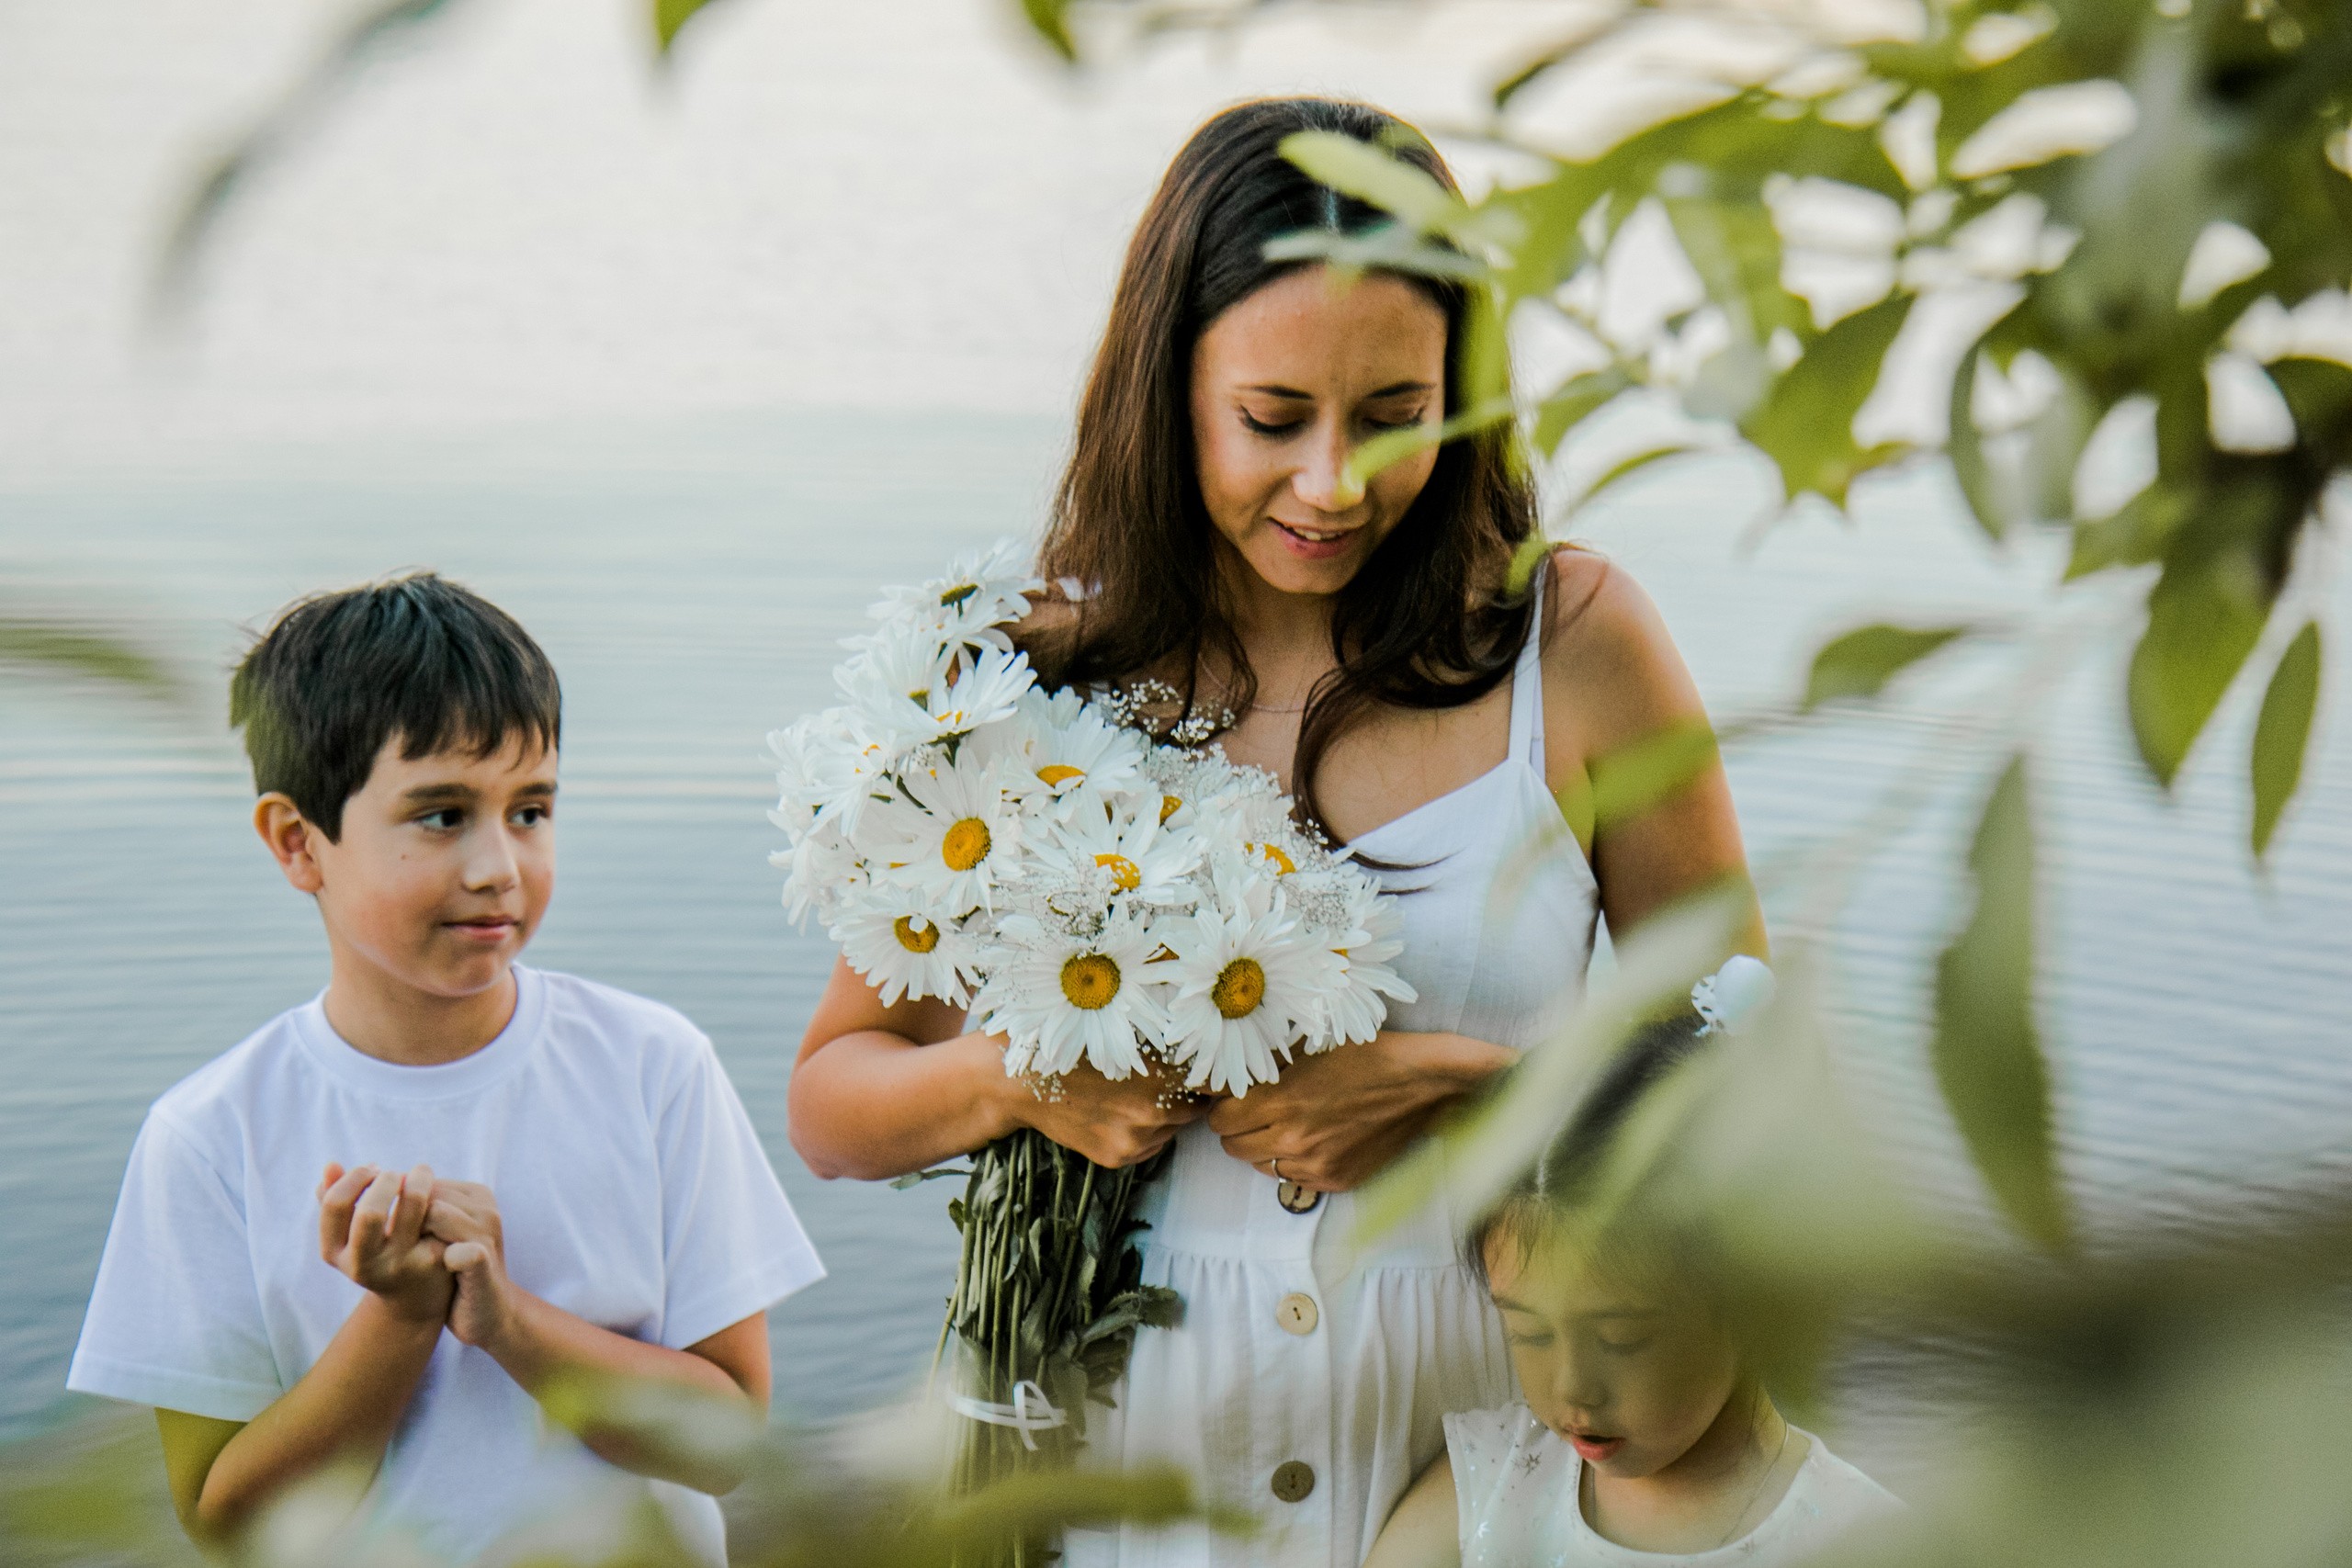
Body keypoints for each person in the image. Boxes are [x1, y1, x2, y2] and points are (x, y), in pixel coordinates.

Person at [788, 97, 1762, 1566]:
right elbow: (833, 1102)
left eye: (1395, 416)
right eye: (1269, 419)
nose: (1332, 482)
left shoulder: (1577, 646)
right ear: (1164, 385)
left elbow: (1747, 1053)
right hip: (1134, 1458)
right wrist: (1026, 1075)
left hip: (1486, 1452)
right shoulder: (1037, 678)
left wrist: (1466, 1087)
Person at [67, 573, 823, 1564]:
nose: (497, 866)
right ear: (299, 843)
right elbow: (227, 1521)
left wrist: (507, 1321)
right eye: (440, 815)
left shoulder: (652, 1066)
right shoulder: (212, 1136)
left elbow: (727, 1442)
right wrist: (397, 1318)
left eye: (530, 810)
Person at [1363, 1031, 1901, 1568]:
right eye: (1528, 1333)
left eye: (1620, 1338)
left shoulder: (1864, 1539)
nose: (1572, 1385)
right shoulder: (1492, 1480)